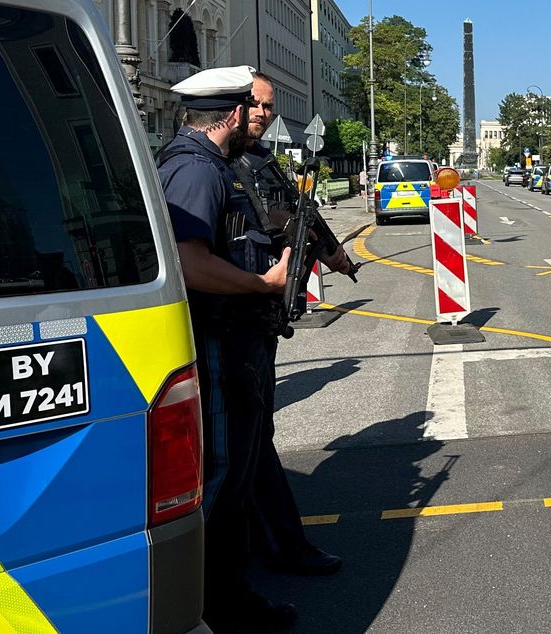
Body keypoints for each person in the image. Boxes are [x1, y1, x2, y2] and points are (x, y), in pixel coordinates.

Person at [156, 65, 296, 632]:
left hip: (237, 337)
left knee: (236, 468)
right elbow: (190, 263)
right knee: (220, 474)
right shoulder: (195, 170)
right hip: (219, 340)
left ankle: (227, 593)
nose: (258, 118)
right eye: (252, 109)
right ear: (234, 113)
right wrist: (263, 284)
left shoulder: (213, 166)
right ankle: (211, 604)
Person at [235, 71, 345, 577]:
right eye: (255, 105)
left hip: (260, 318)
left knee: (256, 430)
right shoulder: (208, 165)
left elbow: (303, 214)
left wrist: (335, 255)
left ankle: (259, 537)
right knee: (248, 435)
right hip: (233, 316)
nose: (263, 114)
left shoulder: (260, 161)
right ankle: (277, 545)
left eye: (268, 107)